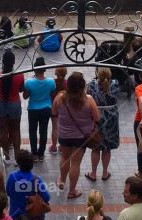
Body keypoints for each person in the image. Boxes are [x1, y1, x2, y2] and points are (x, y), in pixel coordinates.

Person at [53, 71, 100, 200]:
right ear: (82, 85)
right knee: (75, 163)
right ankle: (72, 191)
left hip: (64, 135)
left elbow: (54, 112)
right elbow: (97, 118)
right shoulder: (88, 100)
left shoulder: (60, 97)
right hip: (81, 137)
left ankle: (62, 180)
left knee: (64, 158)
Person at [86, 67, 120, 181]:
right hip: (111, 118)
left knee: (95, 147)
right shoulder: (115, 83)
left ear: (97, 73)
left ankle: (93, 173)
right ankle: (105, 173)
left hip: (97, 117)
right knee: (107, 148)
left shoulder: (91, 85)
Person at [0, 49, 25, 164]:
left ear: (3, 61)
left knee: (3, 130)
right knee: (16, 130)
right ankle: (17, 157)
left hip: (1, 104)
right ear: (13, 62)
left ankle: (6, 157)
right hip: (15, 104)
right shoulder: (20, 76)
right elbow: (21, 89)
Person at [5, 149, 51, 220]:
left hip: (14, 216)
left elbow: (8, 193)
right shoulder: (36, 180)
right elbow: (47, 197)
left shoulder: (12, 176)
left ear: (18, 163)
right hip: (33, 218)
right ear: (32, 165)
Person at [22, 57, 55, 159]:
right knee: (43, 131)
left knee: (32, 131)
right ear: (45, 69)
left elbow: (25, 96)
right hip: (46, 108)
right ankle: (41, 153)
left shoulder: (29, 82)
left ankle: (34, 152)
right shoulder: (51, 82)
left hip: (33, 109)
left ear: (35, 69)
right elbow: (52, 95)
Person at [48, 66, 68, 153]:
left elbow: (50, 93)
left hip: (53, 106)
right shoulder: (67, 83)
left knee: (55, 127)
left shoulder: (52, 82)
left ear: (56, 73)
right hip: (64, 107)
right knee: (63, 127)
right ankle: (62, 146)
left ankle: (53, 147)